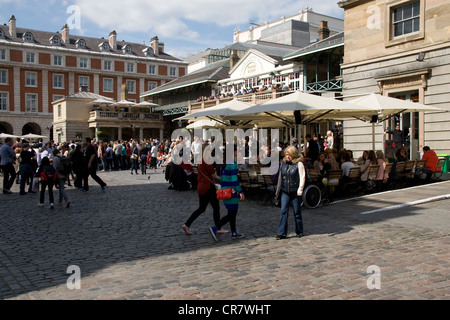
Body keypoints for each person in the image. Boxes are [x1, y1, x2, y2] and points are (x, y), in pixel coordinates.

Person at [182, 144, 228, 236]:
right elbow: (214, 175)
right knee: (216, 207)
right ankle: (218, 228)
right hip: (208, 187)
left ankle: (187, 224)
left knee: (202, 208)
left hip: (201, 187)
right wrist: (224, 179)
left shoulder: (200, 160)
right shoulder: (206, 161)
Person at [209, 145, 245, 241]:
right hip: (231, 191)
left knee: (231, 212)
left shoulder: (223, 164)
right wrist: (240, 191)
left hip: (224, 190)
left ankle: (234, 232)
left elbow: (223, 178)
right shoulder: (232, 163)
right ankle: (215, 228)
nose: (237, 153)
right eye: (237, 151)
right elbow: (234, 179)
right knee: (232, 214)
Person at [274, 145, 306, 240]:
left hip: (295, 191)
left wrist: (300, 189)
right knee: (283, 211)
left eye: (289, 155)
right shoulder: (283, 163)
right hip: (285, 191)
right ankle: (281, 232)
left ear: (294, 154)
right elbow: (280, 177)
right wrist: (278, 190)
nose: (287, 156)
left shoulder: (299, 164)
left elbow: (302, 177)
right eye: (286, 154)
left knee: (297, 212)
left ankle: (299, 231)